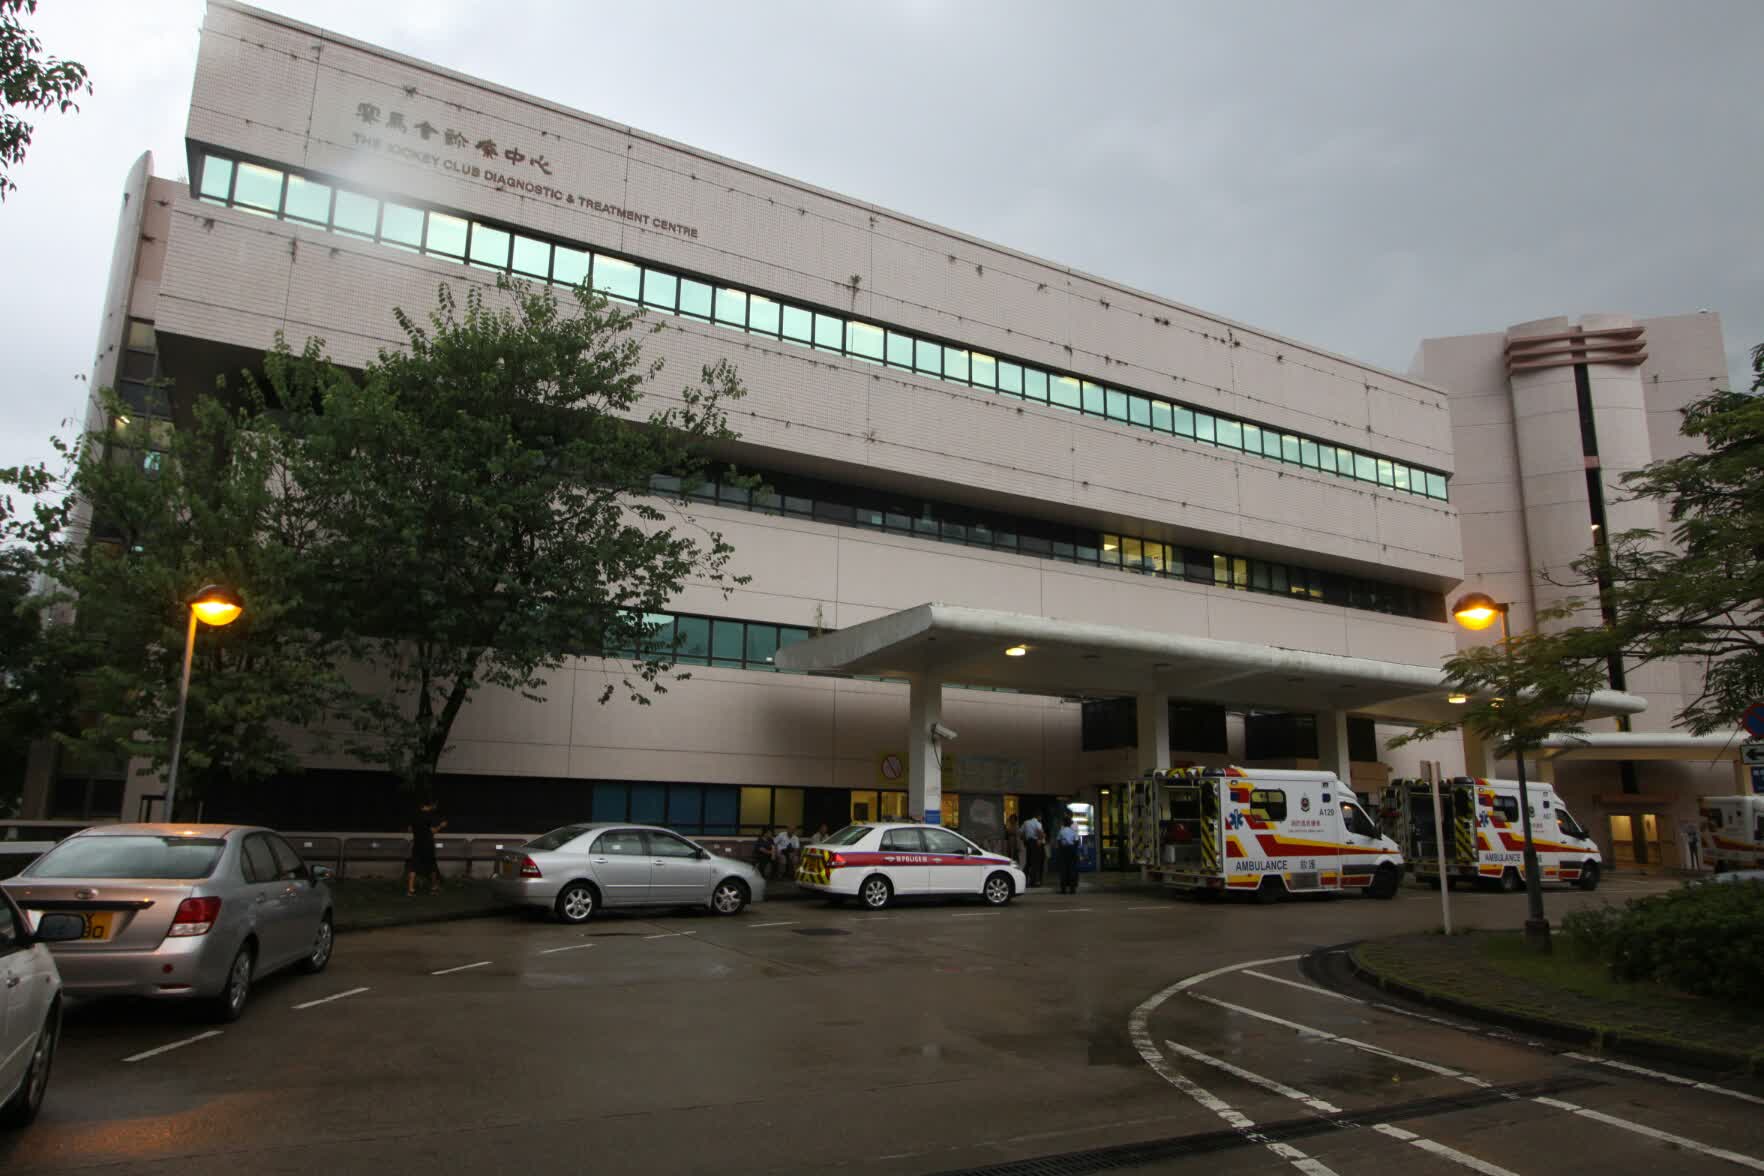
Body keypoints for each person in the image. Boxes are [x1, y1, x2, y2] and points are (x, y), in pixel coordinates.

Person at [406, 799, 446, 897]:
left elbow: (409, 829)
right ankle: (434, 888)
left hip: (417, 844)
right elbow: (433, 831)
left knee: (413, 866)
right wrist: (441, 826)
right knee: (432, 866)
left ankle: (410, 890)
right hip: (428, 844)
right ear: (429, 806)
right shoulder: (430, 816)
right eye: (433, 806)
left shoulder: (415, 815)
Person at [1054, 815, 1081, 895]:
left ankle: (1063, 889)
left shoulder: (1061, 831)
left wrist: (1060, 850)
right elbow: (1077, 841)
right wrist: (1074, 850)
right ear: (1070, 824)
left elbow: (1058, 841)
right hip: (1072, 850)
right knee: (1072, 869)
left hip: (1063, 850)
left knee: (1063, 869)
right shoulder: (1073, 831)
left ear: (1064, 823)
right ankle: (1072, 888)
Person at [1020, 812, 1045, 887]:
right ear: (1038, 816)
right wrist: (1040, 839)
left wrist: (1024, 840)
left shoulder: (1026, 822)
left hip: (1028, 843)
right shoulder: (1037, 823)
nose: (1041, 819)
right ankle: (1033, 882)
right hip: (1035, 843)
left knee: (1028, 862)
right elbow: (1040, 833)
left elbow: (1021, 832)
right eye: (1040, 817)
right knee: (1035, 863)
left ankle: (1023, 880)